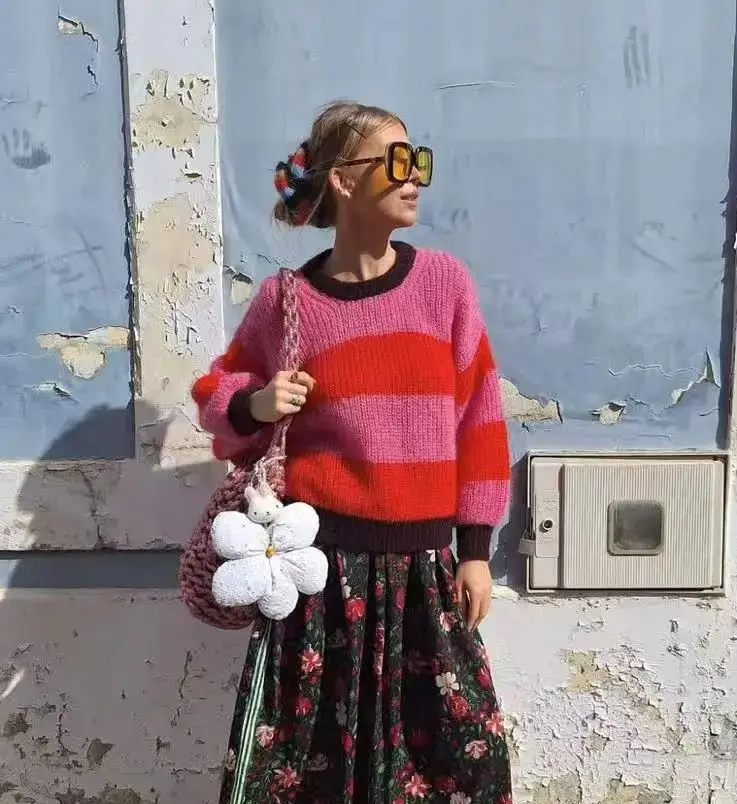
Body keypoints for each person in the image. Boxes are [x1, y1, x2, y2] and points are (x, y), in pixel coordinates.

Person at [191, 100, 513, 803]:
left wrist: (476, 549)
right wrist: (256, 403)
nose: (414, 176)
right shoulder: (287, 300)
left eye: (419, 160)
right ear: (341, 179)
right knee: (311, 774)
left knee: (458, 769)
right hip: (320, 580)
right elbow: (217, 390)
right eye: (398, 161)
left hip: (425, 578)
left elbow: (480, 420)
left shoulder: (444, 285)